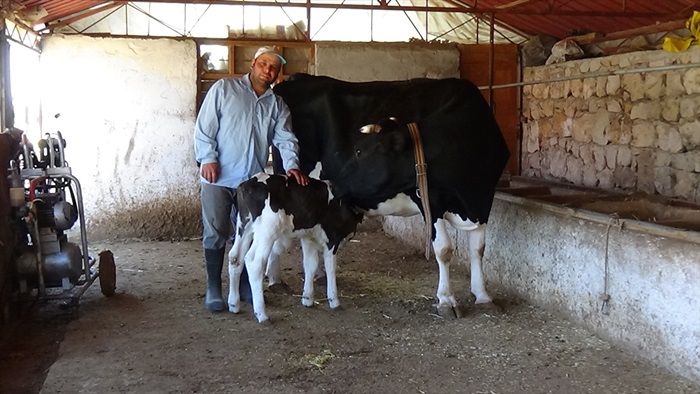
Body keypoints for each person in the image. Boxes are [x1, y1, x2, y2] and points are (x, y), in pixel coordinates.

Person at [194, 46, 309, 312]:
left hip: (253, 184)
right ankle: (213, 288)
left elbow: (285, 138)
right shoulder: (224, 89)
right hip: (219, 177)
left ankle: (246, 286)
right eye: (264, 65)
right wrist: (207, 158)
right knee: (216, 231)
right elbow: (204, 128)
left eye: (274, 69)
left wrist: (292, 166)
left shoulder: (276, 104)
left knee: (250, 235)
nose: (268, 71)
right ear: (254, 64)